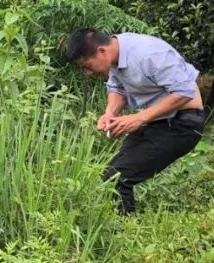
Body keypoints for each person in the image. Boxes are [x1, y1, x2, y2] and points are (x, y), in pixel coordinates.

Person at [65, 28, 205, 215]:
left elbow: (184, 92)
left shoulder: (149, 54)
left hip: (183, 124)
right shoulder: (116, 55)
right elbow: (117, 88)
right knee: (109, 175)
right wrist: (110, 113)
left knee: (117, 178)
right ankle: (119, 227)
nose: (87, 73)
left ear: (101, 52)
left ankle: (125, 232)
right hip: (157, 121)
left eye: (87, 66)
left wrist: (139, 118)